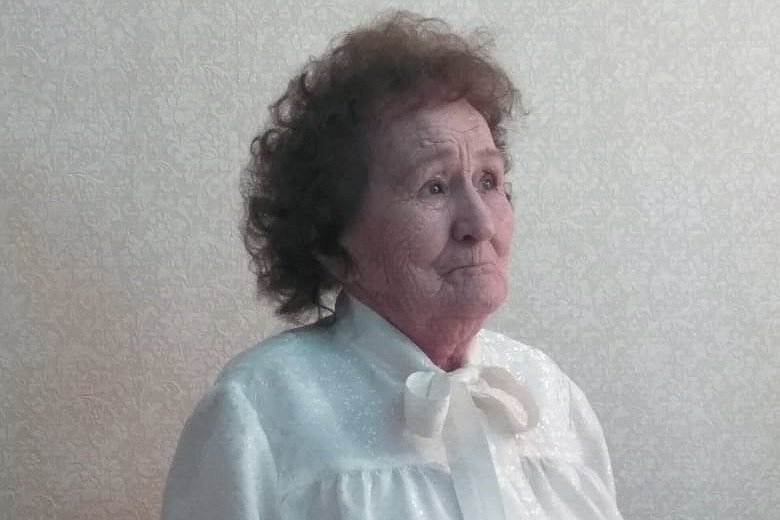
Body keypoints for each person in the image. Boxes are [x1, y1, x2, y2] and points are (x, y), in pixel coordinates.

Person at [162, 11, 623, 520]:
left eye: (488, 180)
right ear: (332, 240)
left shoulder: (550, 394)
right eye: (435, 187)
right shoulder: (258, 413)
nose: (480, 223)